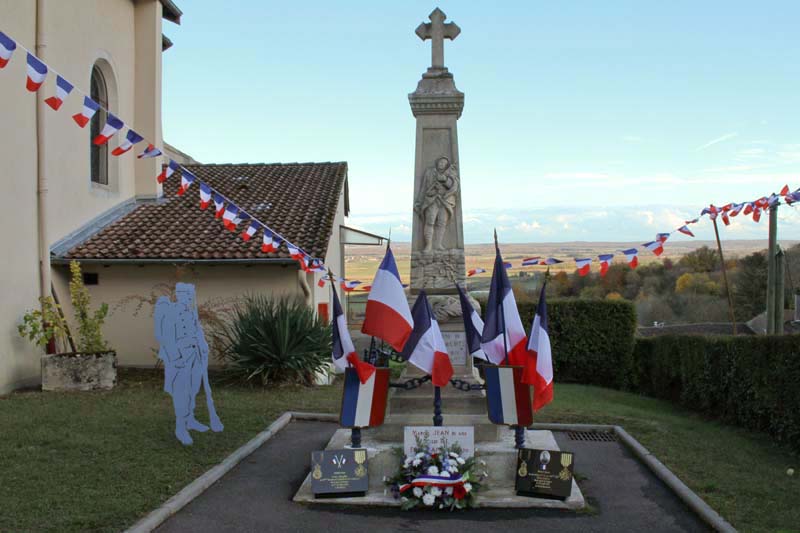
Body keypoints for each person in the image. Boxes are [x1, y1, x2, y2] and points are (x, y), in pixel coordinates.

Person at [155, 283, 223, 445]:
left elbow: (197, 331)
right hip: (179, 357)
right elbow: (164, 336)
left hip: (195, 355)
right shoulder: (170, 312)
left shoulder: (191, 313)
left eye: (190, 295)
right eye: (184, 295)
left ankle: (190, 420)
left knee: (193, 388)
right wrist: (176, 358)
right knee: (181, 392)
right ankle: (180, 428)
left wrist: (203, 346)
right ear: (178, 295)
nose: (188, 298)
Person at [415, 156, 459, 252]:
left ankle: (438, 244)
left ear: (446, 165)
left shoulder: (450, 173)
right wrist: (419, 201)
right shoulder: (429, 172)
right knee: (429, 222)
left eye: (444, 162)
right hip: (432, 200)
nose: (441, 164)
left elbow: (454, 187)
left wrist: (445, 179)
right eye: (440, 162)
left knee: (441, 223)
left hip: (445, 201)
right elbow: (423, 188)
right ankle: (428, 245)